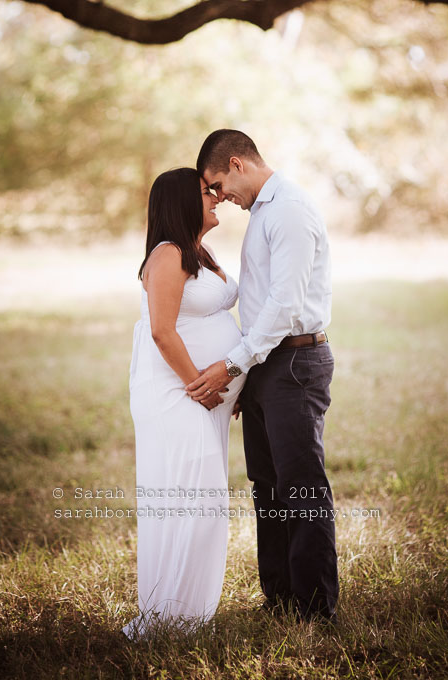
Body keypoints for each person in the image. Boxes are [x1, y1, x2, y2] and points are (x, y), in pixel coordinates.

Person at [187, 130, 338, 622]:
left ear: (237, 163)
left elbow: (285, 305)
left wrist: (232, 364)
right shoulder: (264, 212)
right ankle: (280, 599)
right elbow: (257, 307)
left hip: (294, 362)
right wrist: (246, 377)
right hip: (265, 364)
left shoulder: (288, 209)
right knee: (267, 484)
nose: (218, 198)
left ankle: (315, 609)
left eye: (217, 185)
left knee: (301, 485)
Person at [123, 167, 246, 639]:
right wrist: (201, 383)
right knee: (189, 501)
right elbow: (161, 330)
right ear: (180, 202)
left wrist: (231, 384)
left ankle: (185, 613)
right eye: (205, 192)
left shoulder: (199, 251)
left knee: (203, 501)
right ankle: (169, 617)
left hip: (202, 397)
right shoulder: (169, 254)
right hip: (178, 395)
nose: (215, 197)